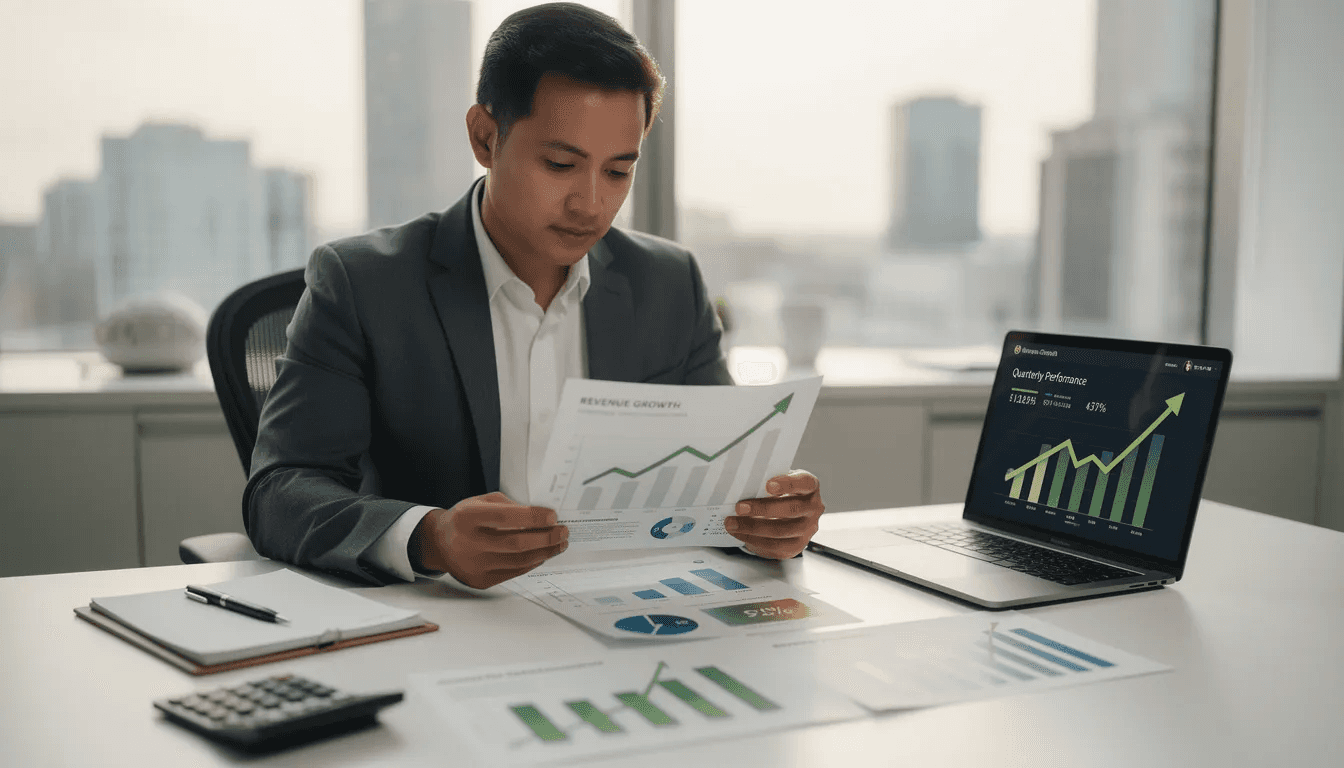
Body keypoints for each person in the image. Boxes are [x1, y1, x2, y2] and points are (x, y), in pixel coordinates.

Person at [244, 2, 825, 590]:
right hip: (445, 625)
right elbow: (280, 490)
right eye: (560, 164)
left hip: (622, 613)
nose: (591, 204)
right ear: (484, 137)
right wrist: (430, 537)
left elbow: (719, 484)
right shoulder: (364, 283)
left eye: (618, 172)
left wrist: (769, 518)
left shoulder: (667, 284)